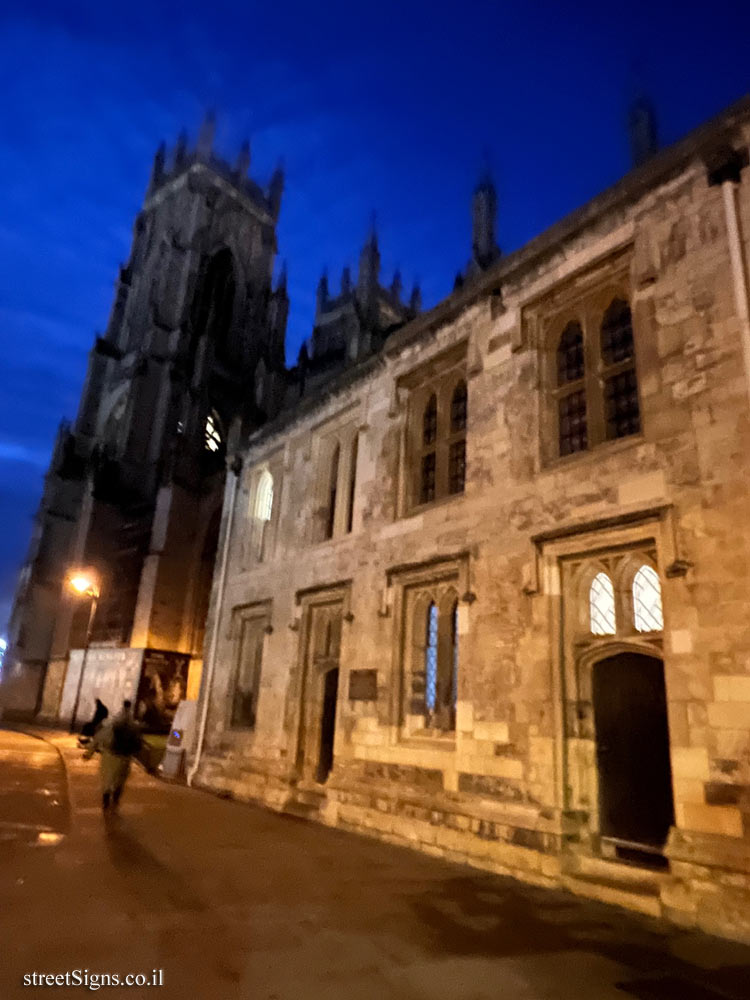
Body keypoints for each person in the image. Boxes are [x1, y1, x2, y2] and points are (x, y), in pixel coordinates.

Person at [84, 699, 143, 812]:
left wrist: (89, 753)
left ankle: (106, 798)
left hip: (110, 756)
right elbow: (138, 742)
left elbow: (98, 738)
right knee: (120, 779)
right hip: (125, 757)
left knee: (107, 778)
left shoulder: (113, 723)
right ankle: (116, 796)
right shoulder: (133, 725)